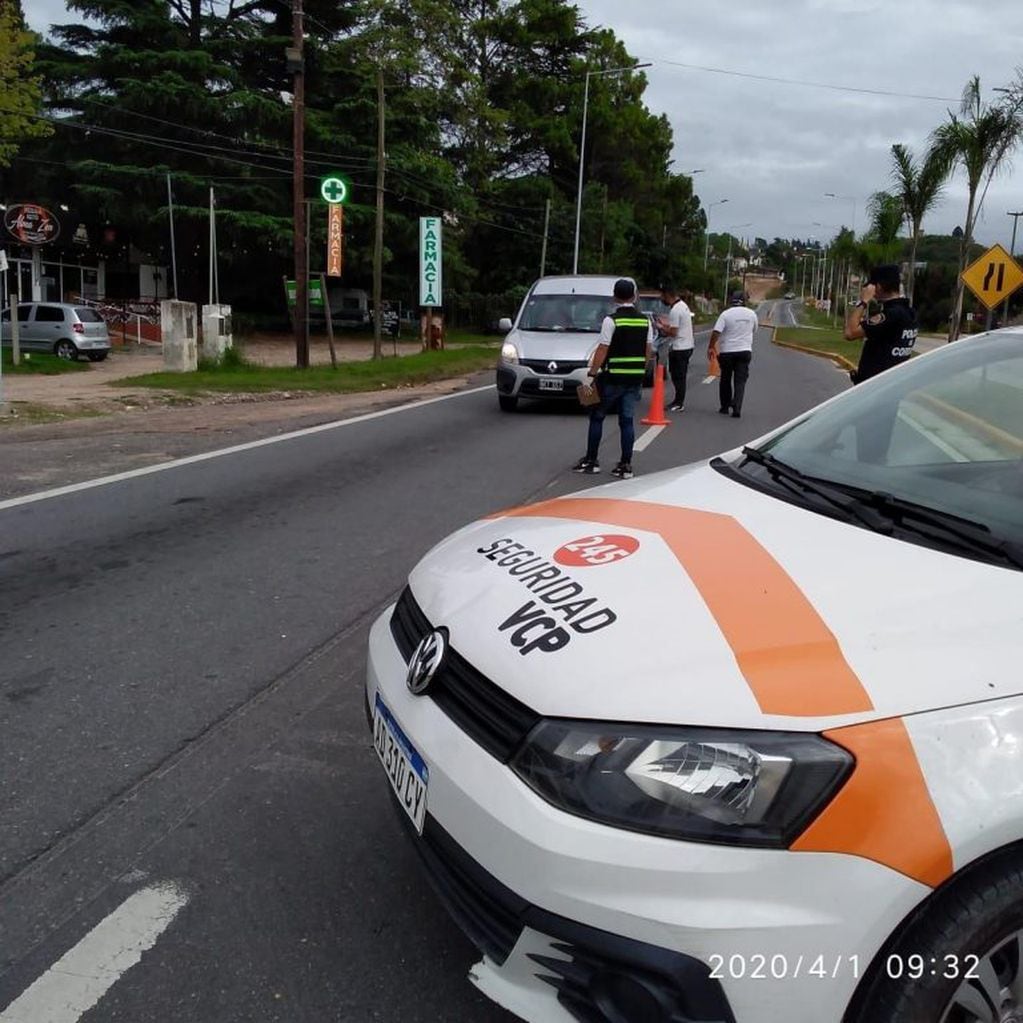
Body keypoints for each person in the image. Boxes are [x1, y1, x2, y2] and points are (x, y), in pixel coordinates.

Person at [572, 278, 653, 480]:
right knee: (626, 422)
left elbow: (603, 348)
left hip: (612, 376)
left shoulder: (611, 320)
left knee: (597, 416)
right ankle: (625, 465)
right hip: (634, 378)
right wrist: (640, 370)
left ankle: (591, 461)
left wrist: (592, 374)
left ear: (614, 297)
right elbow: (648, 350)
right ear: (634, 297)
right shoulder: (645, 321)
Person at [843, 264, 918, 384]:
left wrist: (863, 302)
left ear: (878, 287)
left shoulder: (890, 315)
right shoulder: (909, 313)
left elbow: (850, 333)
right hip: (892, 384)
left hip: (875, 386)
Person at [708, 290, 759, 418]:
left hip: (727, 352)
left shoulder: (725, 314)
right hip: (744, 351)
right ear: (744, 301)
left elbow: (716, 332)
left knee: (725, 378)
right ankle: (737, 407)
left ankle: (725, 407)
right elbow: (755, 329)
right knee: (740, 381)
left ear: (732, 300)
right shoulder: (752, 314)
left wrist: (711, 346)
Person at [655, 283, 695, 411]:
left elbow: (673, 332)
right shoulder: (683, 306)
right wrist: (666, 326)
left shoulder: (675, 310)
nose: (662, 299)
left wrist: (661, 328)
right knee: (678, 374)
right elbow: (676, 328)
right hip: (687, 345)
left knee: (678, 376)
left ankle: (679, 403)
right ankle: (678, 401)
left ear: (667, 295)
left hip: (680, 347)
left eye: (662, 296)